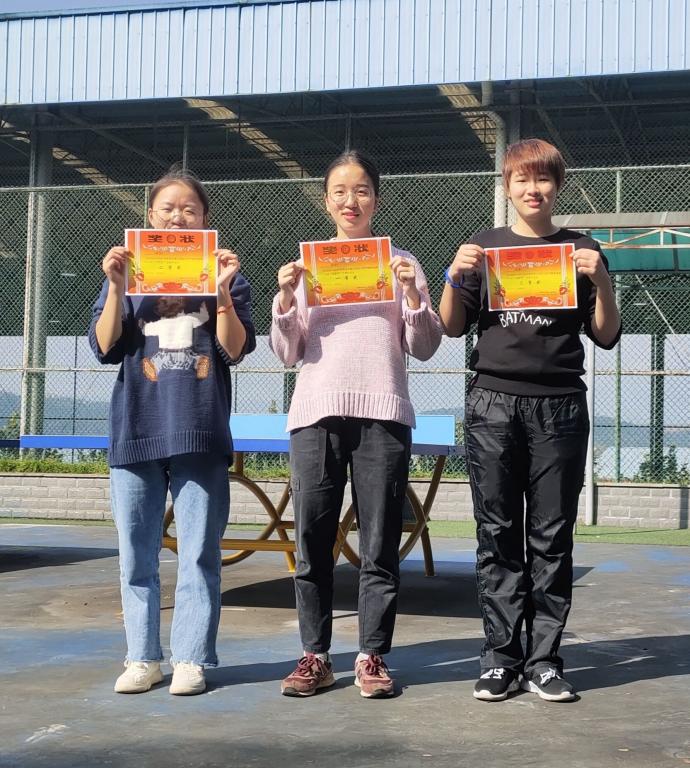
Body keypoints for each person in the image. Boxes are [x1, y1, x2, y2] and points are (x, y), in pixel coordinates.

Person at [439, 138, 621, 703]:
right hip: (492, 403)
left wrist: (603, 280)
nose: (532, 189)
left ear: (557, 186)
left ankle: (544, 660)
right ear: (508, 186)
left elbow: (606, 335)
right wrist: (452, 276)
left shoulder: (582, 249)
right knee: (496, 533)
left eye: (542, 179)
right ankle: (500, 658)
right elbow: (451, 327)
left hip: (560, 405)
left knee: (552, 535)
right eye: (521, 179)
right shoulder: (484, 247)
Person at [270, 150, 443, 698]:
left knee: (380, 542)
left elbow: (425, 344)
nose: (351, 200)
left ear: (377, 199)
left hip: (383, 415)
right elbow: (287, 352)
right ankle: (315, 655)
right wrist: (285, 300)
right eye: (340, 191)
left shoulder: (401, 262)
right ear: (326, 201)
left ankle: (372, 655)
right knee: (312, 540)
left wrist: (412, 295)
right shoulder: (308, 267)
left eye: (362, 190)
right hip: (315, 416)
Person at [89, 166, 255, 695]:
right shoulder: (126, 275)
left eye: (189, 209)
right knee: (136, 555)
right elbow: (104, 346)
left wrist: (222, 291)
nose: (178, 216)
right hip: (136, 429)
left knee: (199, 554)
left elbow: (234, 349)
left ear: (205, 219)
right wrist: (116, 287)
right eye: (168, 208)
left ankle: (190, 658)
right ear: (149, 216)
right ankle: (142, 657)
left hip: (200, 431)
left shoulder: (227, 276)